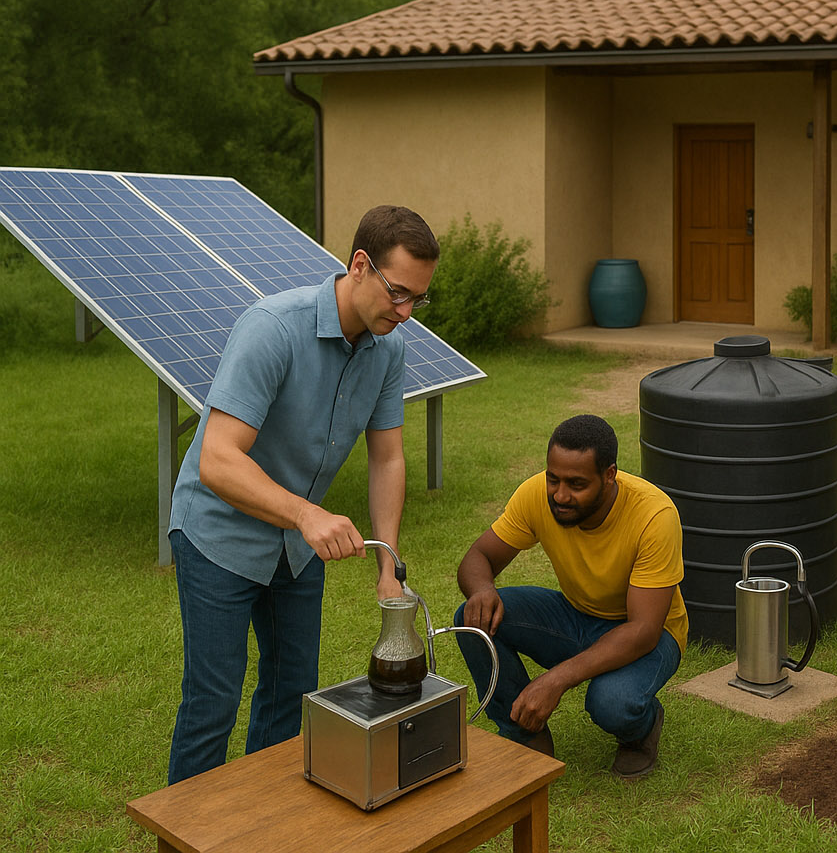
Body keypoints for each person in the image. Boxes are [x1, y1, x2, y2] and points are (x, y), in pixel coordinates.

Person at [166, 205, 438, 784]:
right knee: (213, 704)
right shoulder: (272, 328)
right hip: (219, 534)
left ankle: (262, 831)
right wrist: (305, 514)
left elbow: (387, 456)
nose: (408, 312)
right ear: (360, 265)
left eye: (419, 298)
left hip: (295, 545)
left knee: (292, 697)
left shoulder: (388, 349)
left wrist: (387, 560)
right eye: (398, 293)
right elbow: (217, 458)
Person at [454, 415, 687, 779]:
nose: (560, 495)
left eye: (577, 484)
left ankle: (641, 729)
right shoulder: (536, 495)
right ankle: (525, 735)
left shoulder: (653, 515)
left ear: (609, 475)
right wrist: (483, 591)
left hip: (648, 632)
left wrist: (555, 680)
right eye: (553, 479)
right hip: (575, 615)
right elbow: (477, 558)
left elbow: (643, 630)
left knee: (612, 703)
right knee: (473, 621)